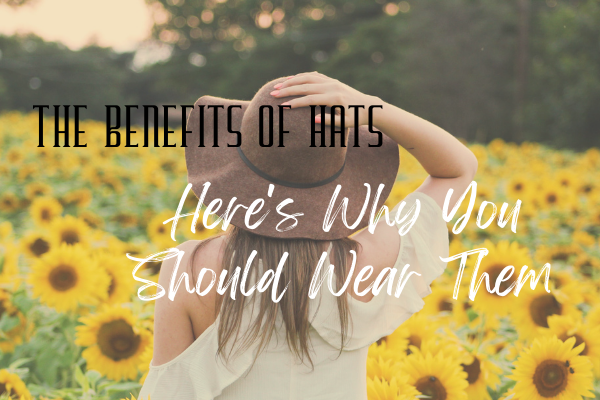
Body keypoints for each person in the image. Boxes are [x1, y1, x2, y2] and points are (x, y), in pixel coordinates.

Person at [138, 72, 478, 400]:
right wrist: (374, 108)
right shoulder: (369, 261)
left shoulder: (189, 268)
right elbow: (458, 169)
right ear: (335, 181)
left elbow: (167, 393)